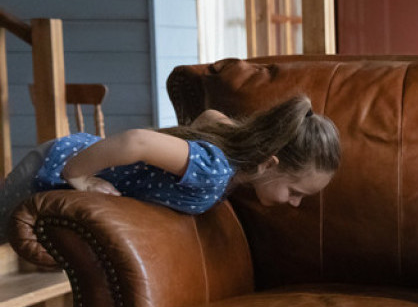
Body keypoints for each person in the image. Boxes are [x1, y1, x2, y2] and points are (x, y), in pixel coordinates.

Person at [0, 95, 341, 240]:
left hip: (58, 159)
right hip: (53, 165)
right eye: (295, 192)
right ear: (269, 163)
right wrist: (78, 175)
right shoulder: (214, 171)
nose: (295, 203)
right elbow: (137, 141)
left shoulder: (234, 156)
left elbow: (211, 118)